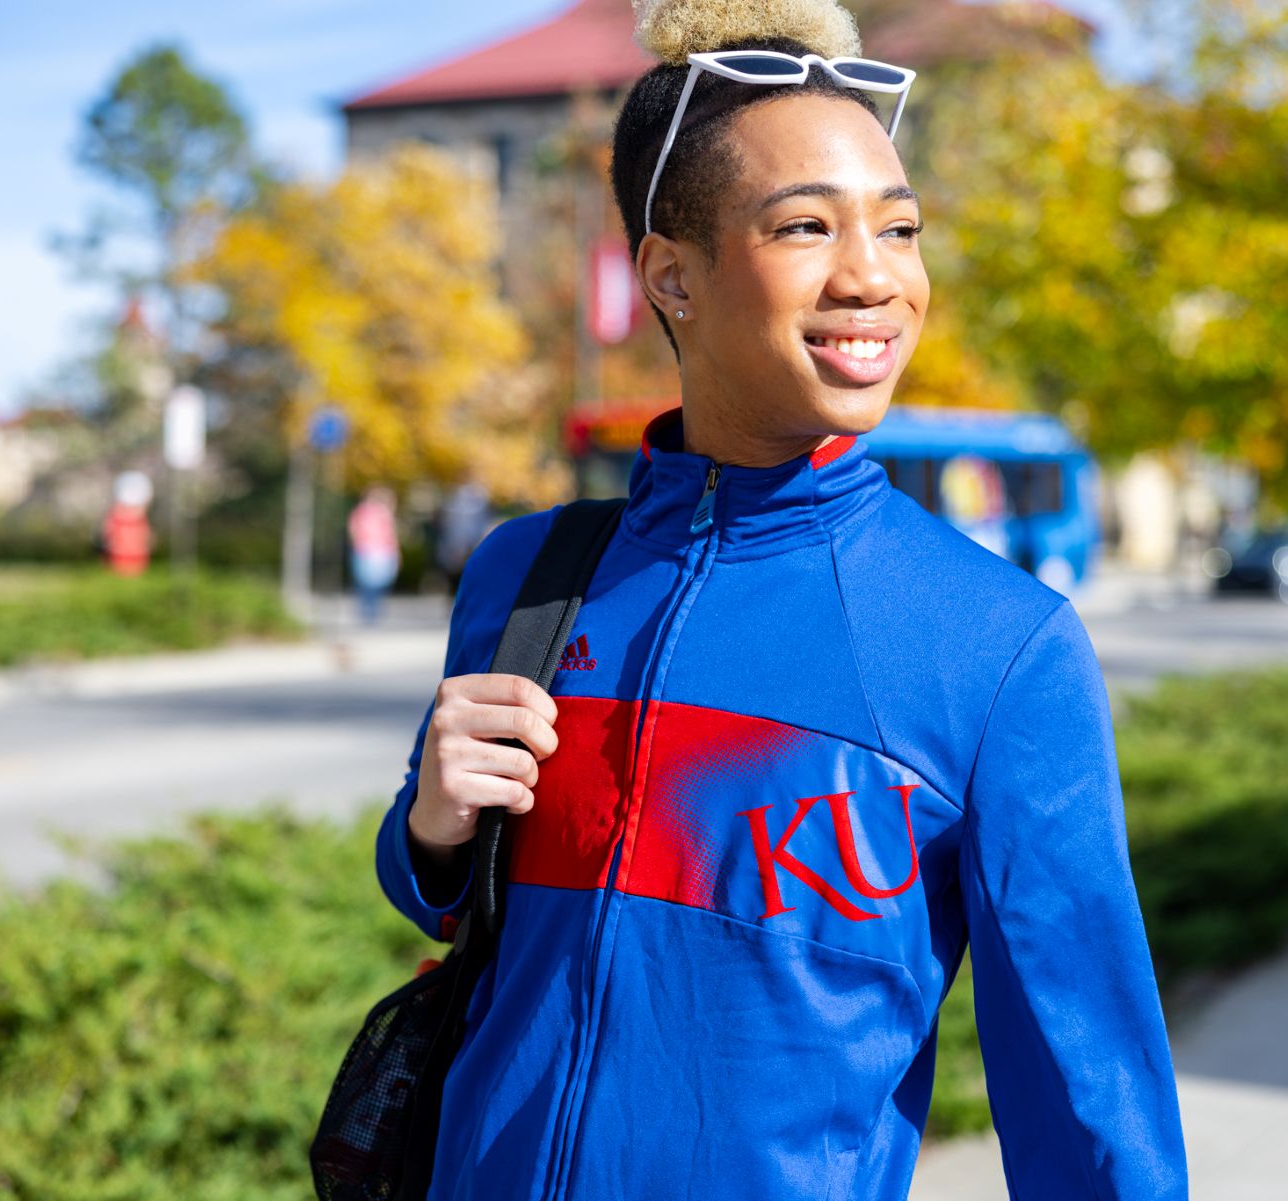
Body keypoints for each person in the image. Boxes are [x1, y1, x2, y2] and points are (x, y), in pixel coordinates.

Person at [373, 1, 1189, 1197]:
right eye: (806, 225)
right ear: (673, 276)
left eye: (900, 229)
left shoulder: (999, 647)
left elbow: (1088, 1102)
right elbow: (445, 899)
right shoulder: (526, 574)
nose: (873, 277)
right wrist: (433, 827)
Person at [347, 485, 400, 626]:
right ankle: (370, 611)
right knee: (368, 584)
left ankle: (371, 610)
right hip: (368, 551)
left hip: (376, 551)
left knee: (373, 584)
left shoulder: (381, 512)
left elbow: (390, 534)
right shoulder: (363, 512)